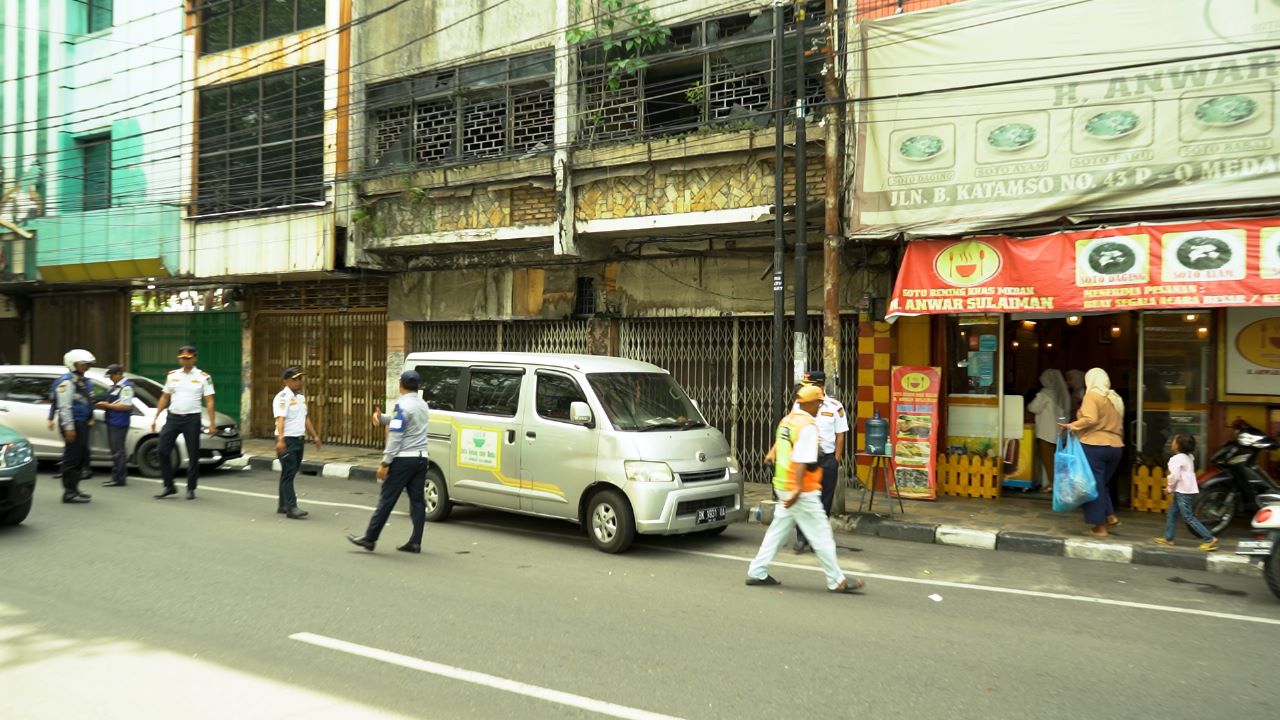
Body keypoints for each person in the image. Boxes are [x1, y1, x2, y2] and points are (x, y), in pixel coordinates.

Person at [745, 385, 865, 594]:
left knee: (777, 531)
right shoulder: (807, 426)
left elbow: (776, 448)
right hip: (801, 489)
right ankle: (836, 580)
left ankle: (757, 571)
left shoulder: (787, 420)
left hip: (782, 484)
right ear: (808, 403)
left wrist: (772, 457)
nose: (820, 405)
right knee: (821, 534)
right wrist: (798, 490)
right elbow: (802, 460)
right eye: (818, 402)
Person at [765, 370, 849, 553]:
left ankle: (817, 541)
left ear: (819, 385)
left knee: (824, 503)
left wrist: (836, 460)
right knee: (803, 500)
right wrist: (774, 450)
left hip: (827, 459)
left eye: (808, 385)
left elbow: (840, 434)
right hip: (805, 460)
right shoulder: (800, 404)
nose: (804, 388)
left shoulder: (835, 406)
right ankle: (802, 539)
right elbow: (788, 427)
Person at [347, 370, 429, 554]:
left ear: (400, 385)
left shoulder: (402, 405)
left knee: (387, 499)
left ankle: (370, 538)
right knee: (417, 500)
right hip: (421, 458)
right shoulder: (422, 404)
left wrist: (385, 462)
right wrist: (383, 418)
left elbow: (396, 434)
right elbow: (401, 422)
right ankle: (416, 541)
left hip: (404, 459)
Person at [1062, 367, 1123, 536]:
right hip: (1116, 447)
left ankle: (1099, 526)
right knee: (1101, 484)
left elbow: (1090, 419)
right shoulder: (1115, 398)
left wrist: (1072, 425)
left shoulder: (1092, 396)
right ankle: (1110, 516)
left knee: (1090, 486)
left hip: (1095, 446)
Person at [151, 345, 216, 500]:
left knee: (193, 454)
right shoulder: (172, 375)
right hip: (173, 417)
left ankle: (191, 488)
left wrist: (212, 423)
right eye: (183, 358)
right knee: (162, 450)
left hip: (192, 419)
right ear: (179, 359)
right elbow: (165, 397)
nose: (186, 361)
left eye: (189, 358)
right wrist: (156, 416)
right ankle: (169, 486)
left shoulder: (203, 377)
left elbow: (209, 401)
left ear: (194, 358)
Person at [1153, 434, 1218, 551]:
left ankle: (1209, 539)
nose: (1171, 442)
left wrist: (1169, 488)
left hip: (1182, 492)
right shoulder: (1189, 457)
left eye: (1173, 441)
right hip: (1185, 491)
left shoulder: (1176, 459)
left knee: (1188, 517)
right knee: (1172, 513)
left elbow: (1174, 476)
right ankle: (1168, 538)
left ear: (1178, 446)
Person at [273, 366, 321, 519]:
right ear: (286, 381)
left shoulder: (300, 397)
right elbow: (280, 419)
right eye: (295, 379)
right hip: (287, 440)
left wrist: (315, 436)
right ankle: (292, 507)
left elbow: (305, 418)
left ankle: (282, 504)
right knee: (288, 473)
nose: (298, 382)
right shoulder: (282, 397)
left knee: (289, 473)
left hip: (298, 439)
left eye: (300, 379)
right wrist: (281, 440)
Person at [52, 349, 96, 504]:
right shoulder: (66, 382)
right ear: (73, 364)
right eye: (83, 364)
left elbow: (88, 401)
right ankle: (68, 493)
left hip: (81, 422)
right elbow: (64, 407)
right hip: (72, 423)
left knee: (79, 457)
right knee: (71, 458)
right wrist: (69, 428)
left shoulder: (81, 381)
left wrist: (90, 417)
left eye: (87, 364)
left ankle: (75, 489)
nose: (87, 366)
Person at [1027, 369, 1069, 493]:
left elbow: (1034, 408)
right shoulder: (1062, 393)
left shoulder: (1045, 393)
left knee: (1047, 460)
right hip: (1058, 431)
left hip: (1046, 432)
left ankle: (1052, 485)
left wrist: (1028, 405)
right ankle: (1058, 483)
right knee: (1057, 459)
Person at [95, 364, 134, 487]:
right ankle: (116, 476)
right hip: (113, 421)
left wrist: (107, 405)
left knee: (118, 451)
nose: (110, 378)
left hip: (119, 422)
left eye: (111, 375)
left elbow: (126, 406)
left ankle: (119, 478)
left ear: (118, 374)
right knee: (115, 451)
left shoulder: (126, 387)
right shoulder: (115, 387)